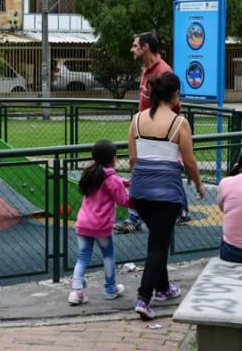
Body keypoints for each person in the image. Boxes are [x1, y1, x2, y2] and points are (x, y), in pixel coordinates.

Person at [127, 72, 205, 320]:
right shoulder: (179, 123)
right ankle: (143, 297)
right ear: (173, 94)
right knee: (158, 245)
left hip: (140, 191)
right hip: (166, 193)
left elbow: (132, 159)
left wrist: (141, 179)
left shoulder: (137, 119)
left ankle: (163, 288)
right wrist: (199, 185)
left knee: (157, 239)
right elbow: (190, 161)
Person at [117, 32, 184, 234]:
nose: (132, 49)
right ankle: (178, 210)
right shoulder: (146, 69)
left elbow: (174, 104)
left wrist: (163, 129)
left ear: (146, 47)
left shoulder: (163, 72)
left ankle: (135, 218)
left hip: (157, 134)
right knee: (157, 169)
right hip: (144, 128)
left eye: (136, 45)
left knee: (142, 169)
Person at [68, 139, 132, 305]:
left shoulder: (90, 174)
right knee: (108, 256)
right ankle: (110, 289)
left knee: (82, 257)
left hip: (83, 224)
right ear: (114, 158)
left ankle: (76, 291)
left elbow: (106, 185)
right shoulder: (112, 179)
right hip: (101, 226)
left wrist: (121, 182)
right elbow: (124, 201)